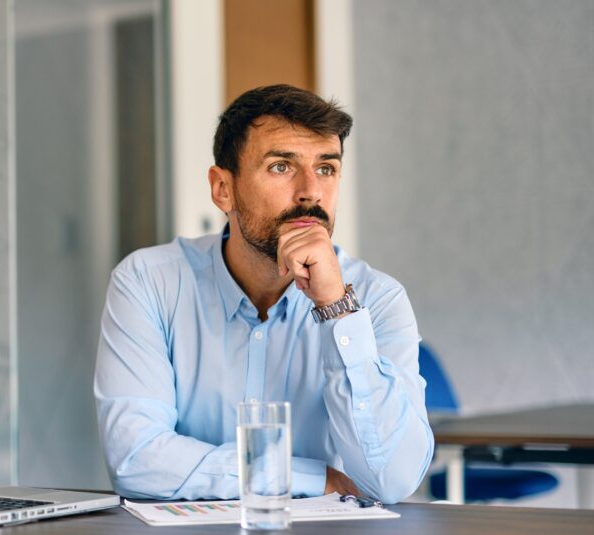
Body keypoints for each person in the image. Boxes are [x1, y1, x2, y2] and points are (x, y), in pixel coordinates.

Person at [93, 84, 433, 504]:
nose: (311, 191)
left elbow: (393, 481)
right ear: (222, 189)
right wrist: (308, 477)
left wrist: (335, 308)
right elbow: (136, 459)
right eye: (281, 167)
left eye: (326, 168)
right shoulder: (149, 282)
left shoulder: (377, 300)